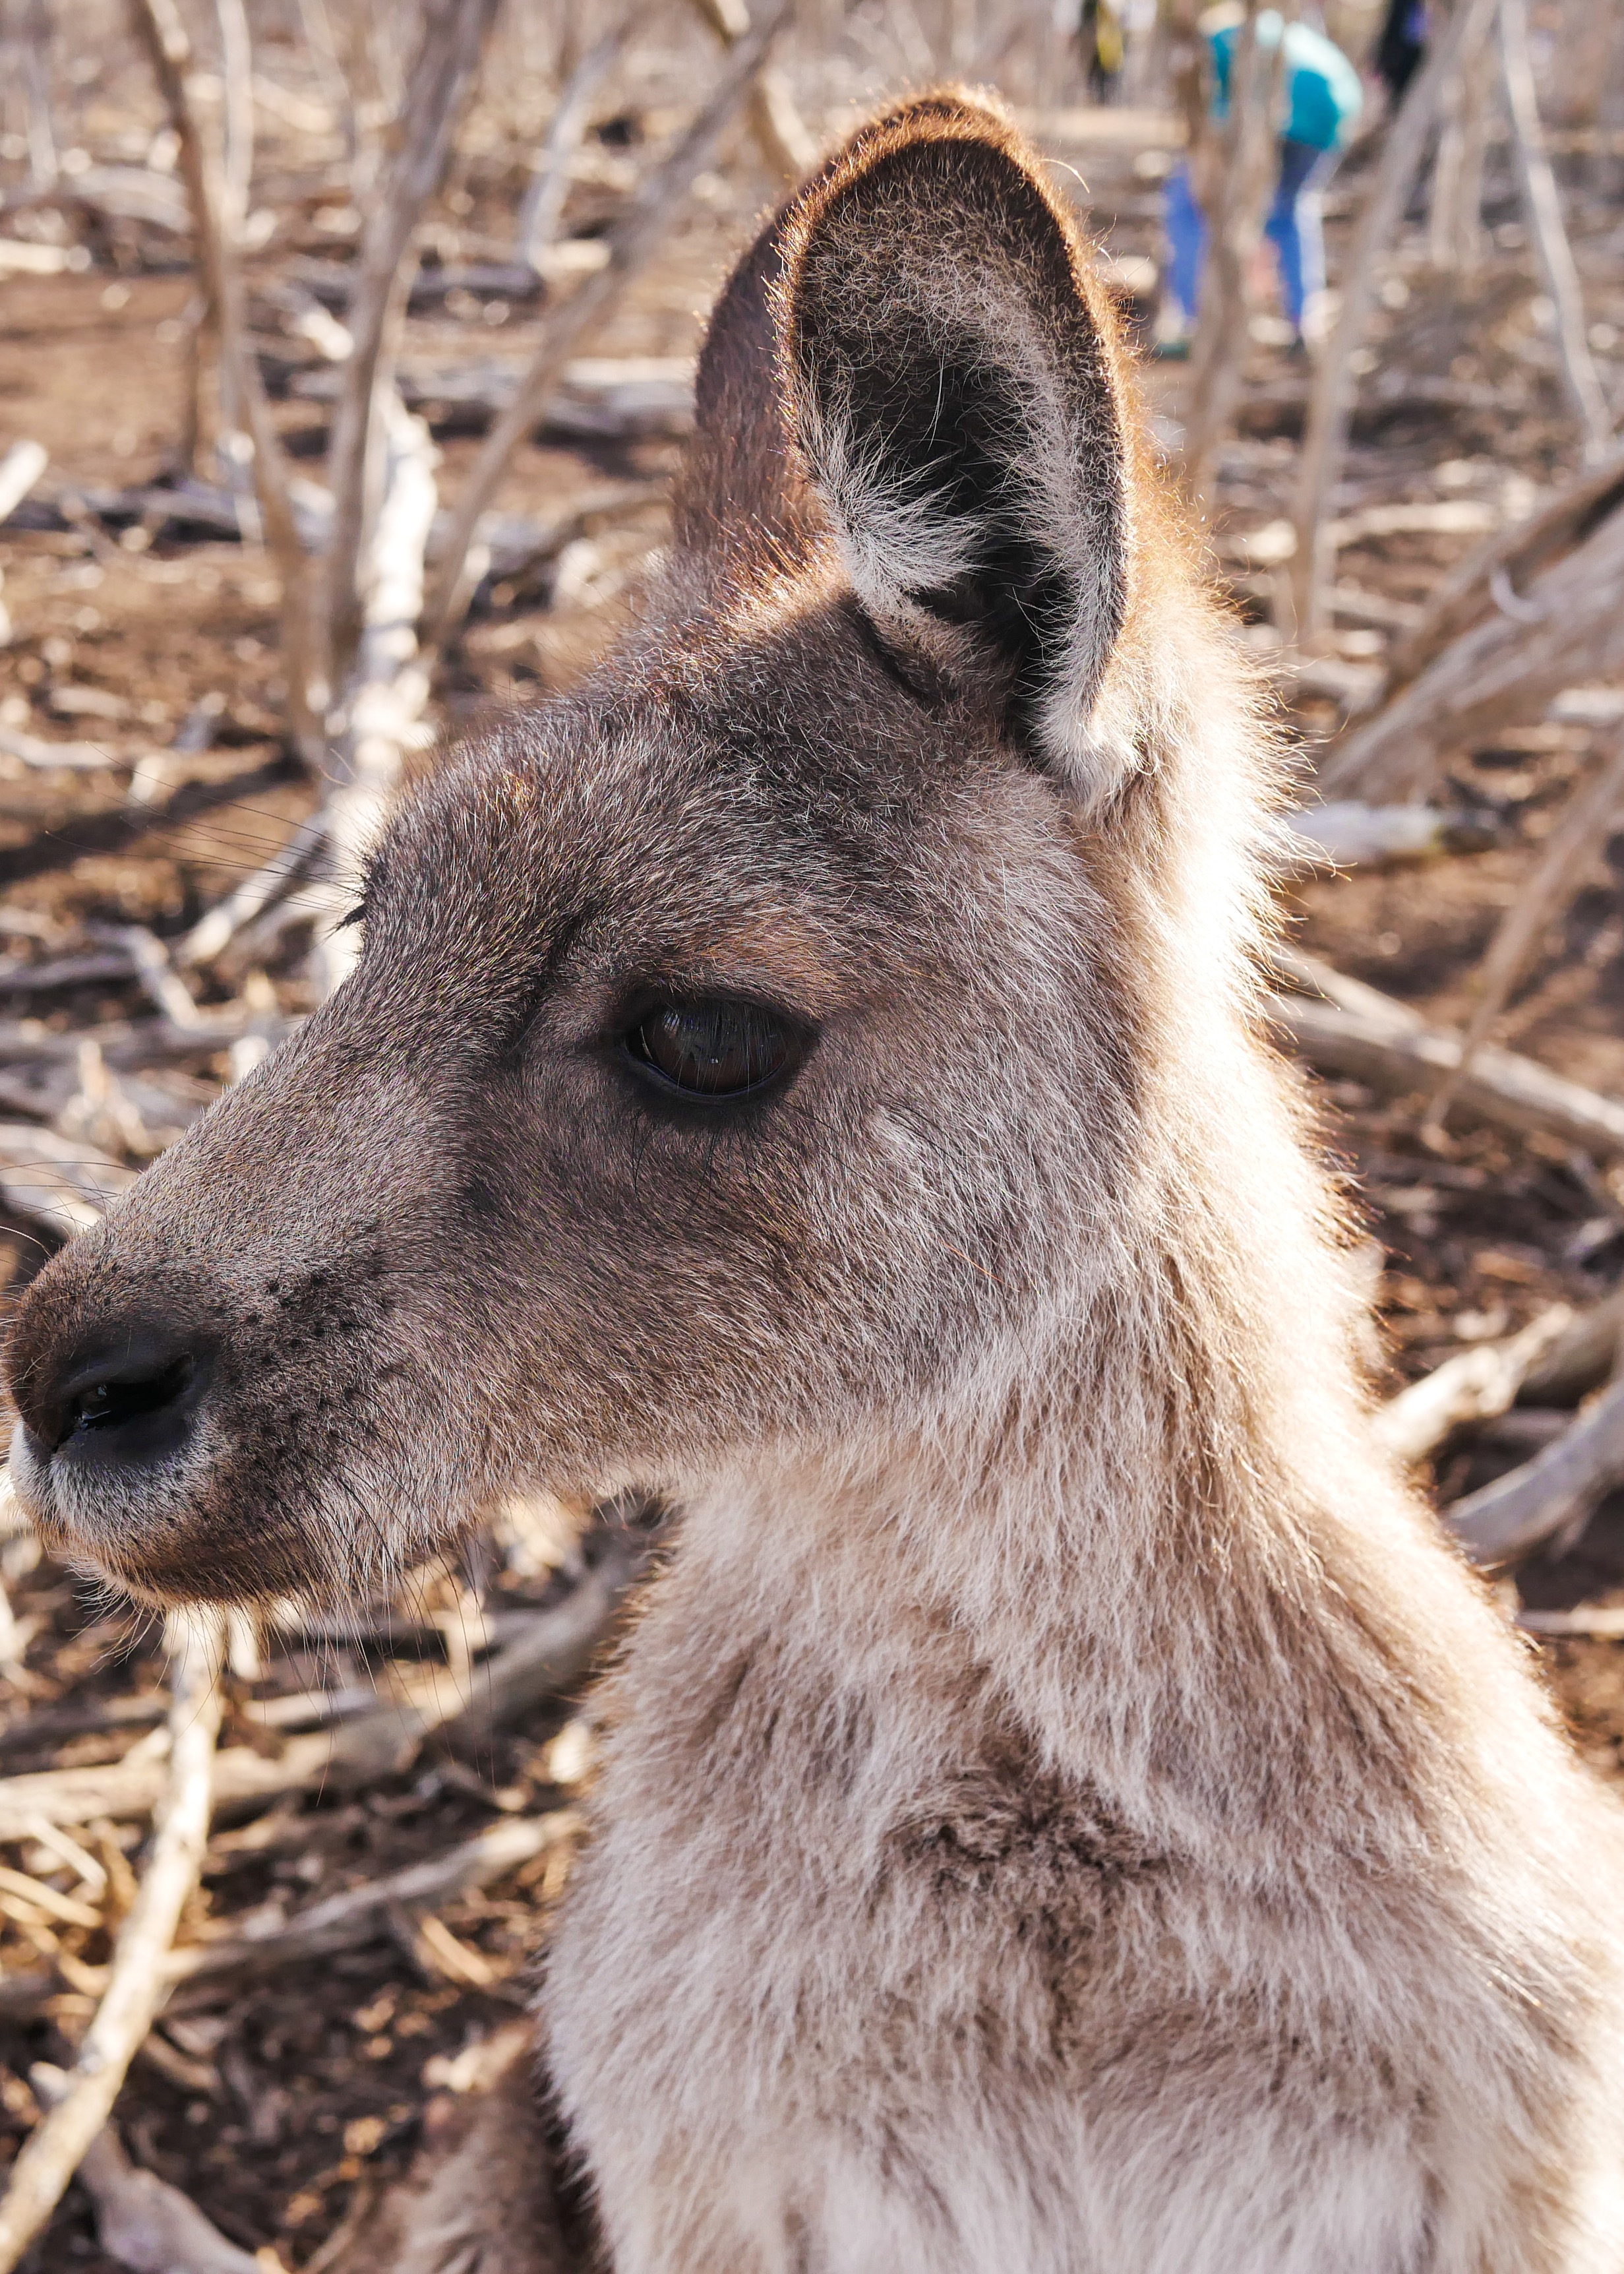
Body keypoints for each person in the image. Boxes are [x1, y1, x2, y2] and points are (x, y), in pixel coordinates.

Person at [1158, 3, 1363, 355]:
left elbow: (1211, 120)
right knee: (1290, 208)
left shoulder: (1218, 40)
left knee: (1188, 204)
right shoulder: (1265, 29)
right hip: (1335, 107)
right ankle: (1304, 322)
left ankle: (1192, 321)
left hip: (1291, 111)